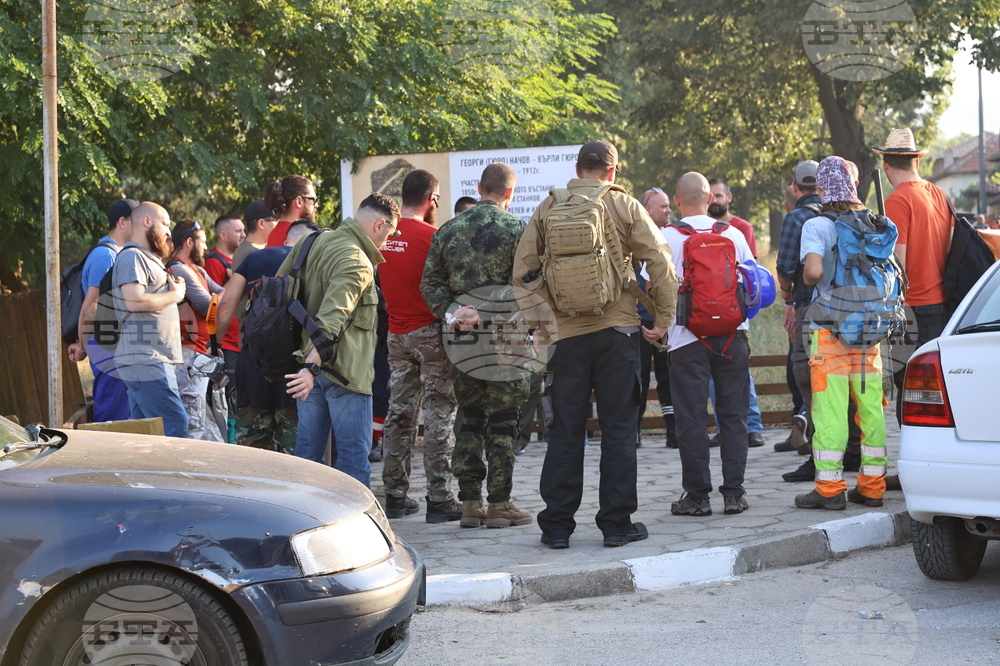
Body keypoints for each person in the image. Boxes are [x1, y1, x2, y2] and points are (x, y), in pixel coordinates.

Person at [512, 140, 677, 548]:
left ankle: (556, 529)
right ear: (612, 171)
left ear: (577, 167)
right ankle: (617, 525)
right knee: (619, 429)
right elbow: (661, 260)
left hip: (566, 340)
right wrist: (663, 319)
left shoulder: (548, 207)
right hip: (618, 336)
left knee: (565, 431)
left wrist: (543, 323)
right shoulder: (624, 205)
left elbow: (522, 273)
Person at [423, 162, 533, 530]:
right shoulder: (520, 230)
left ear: (479, 187)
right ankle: (500, 504)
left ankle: (470, 503)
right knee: (503, 419)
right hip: (507, 337)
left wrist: (459, 311)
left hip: (462, 337)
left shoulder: (448, 230)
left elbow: (430, 284)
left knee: (469, 417)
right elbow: (530, 285)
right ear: (509, 193)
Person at [279, 194, 400, 487]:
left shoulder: (313, 241)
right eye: (390, 233)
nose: (388, 241)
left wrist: (307, 367)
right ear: (380, 224)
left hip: (307, 366)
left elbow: (279, 288)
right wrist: (311, 368)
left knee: (307, 454)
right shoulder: (357, 259)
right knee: (353, 461)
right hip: (342, 373)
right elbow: (332, 318)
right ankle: (356, 531)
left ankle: (302, 523)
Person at [794, 156, 889, 510]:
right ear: (852, 186)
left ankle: (831, 489)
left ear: (821, 188)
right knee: (870, 409)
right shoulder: (872, 222)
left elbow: (815, 272)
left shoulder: (817, 225)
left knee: (830, 409)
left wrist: (806, 275)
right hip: (869, 331)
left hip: (830, 330)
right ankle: (873, 487)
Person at [664, 173, 754, 517]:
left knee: (691, 419)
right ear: (709, 198)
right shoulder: (733, 234)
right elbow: (754, 284)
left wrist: (662, 324)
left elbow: (649, 286)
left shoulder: (666, 237)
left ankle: (698, 496)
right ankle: (734, 494)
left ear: (677, 200)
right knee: (733, 416)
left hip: (686, 339)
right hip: (733, 337)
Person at [379, 169, 462, 522]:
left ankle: (395, 497)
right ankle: (440, 498)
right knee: (438, 413)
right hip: (429, 333)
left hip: (396, 335)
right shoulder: (434, 236)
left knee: (399, 415)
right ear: (432, 199)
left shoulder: (384, 235)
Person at [217, 220, 320, 453]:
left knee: (252, 456)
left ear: (286, 241)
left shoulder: (254, 258)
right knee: (295, 458)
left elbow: (226, 306)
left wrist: (215, 345)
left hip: (253, 368)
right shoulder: (314, 262)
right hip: (297, 374)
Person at [112, 202, 188, 438]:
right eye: (165, 224)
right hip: (145, 360)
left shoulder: (147, 258)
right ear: (146, 221)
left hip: (149, 359)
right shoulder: (132, 256)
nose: (168, 231)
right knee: (174, 425)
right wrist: (175, 295)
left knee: (143, 437)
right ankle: (172, 476)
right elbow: (133, 301)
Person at [879, 127, 953, 345]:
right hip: (944, 305)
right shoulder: (941, 195)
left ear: (885, 165)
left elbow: (897, 265)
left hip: (912, 310)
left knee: (905, 377)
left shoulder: (897, 201)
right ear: (917, 162)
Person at [67, 199, 136, 422]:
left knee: (118, 408)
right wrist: (82, 343)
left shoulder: (115, 252)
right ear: (123, 222)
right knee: (111, 412)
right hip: (106, 343)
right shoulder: (106, 255)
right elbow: (91, 305)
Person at [776, 161, 821, 460]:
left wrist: (788, 296)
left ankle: (815, 448)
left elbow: (785, 267)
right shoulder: (840, 214)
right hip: (844, 308)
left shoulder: (796, 219)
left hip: (808, 306)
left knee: (807, 376)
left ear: (795, 187)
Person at [167, 220, 225, 442]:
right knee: (194, 423)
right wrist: (218, 297)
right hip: (188, 355)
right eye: (202, 241)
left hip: (201, 353)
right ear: (189, 242)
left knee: (207, 421)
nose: (206, 247)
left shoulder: (197, 269)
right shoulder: (178, 268)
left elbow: (221, 296)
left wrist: (218, 297)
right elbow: (207, 304)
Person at [636, 188, 676, 448]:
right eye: (663, 206)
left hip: (669, 320)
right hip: (638, 321)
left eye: (669, 206)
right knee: (636, 377)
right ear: (647, 209)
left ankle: (674, 431)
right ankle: (633, 431)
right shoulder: (634, 237)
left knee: (669, 376)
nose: (669, 210)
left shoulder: (675, 237)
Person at [204, 215, 246, 393]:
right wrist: (234, 280)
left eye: (244, 230)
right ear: (223, 235)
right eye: (238, 231)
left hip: (241, 342)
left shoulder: (237, 261)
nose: (243, 234)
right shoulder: (213, 262)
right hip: (227, 344)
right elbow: (211, 303)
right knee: (229, 398)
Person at [263, 175, 318, 247]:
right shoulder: (300, 236)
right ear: (299, 201)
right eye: (313, 200)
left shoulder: (274, 233)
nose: (316, 205)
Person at [708, 178, 758, 257]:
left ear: (729, 197)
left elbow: (749, 264)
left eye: (718, 196)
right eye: (710, 196)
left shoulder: (743, 227)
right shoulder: (702, 227)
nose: (714, 201)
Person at [232, 199, 278, 272]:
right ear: (261, 224)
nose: (278, 224)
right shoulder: (254, 253)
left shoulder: (249, 249)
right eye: (276, 220)